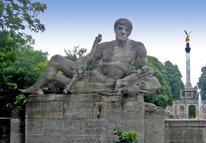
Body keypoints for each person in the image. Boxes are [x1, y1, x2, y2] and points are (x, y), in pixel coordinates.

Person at [21, 18, 160, 95]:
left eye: (126, 30)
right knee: (56, 59)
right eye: (120, 28)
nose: (123, 32)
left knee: (55, 77)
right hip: (91, 75)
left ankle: (51, 80)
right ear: (115, 30)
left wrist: (148, 69)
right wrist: (80, 63)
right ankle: (36, 88)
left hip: (106, 83)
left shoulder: (137, 46)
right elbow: (90, 57)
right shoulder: (106, 45)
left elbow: (144, 66)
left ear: (130, 32)